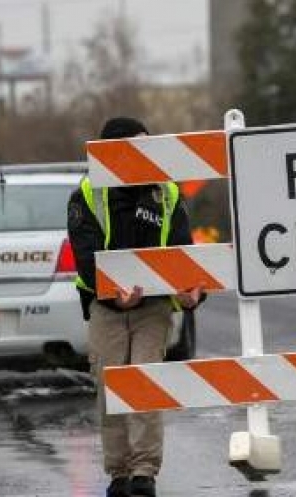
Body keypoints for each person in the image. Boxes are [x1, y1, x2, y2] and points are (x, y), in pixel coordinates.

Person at [67, 116, 205, 497]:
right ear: (115, 151)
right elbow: (86, 256)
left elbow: (182, 253)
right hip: (106, 307)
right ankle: (119, 473)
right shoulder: (87, 194)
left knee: (146, 385)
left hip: (153, 309)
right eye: (139, 145)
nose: (148, 152)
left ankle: (144, 472)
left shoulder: (166, 192)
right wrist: (113, 292)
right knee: (110, 386)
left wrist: (190, 293)